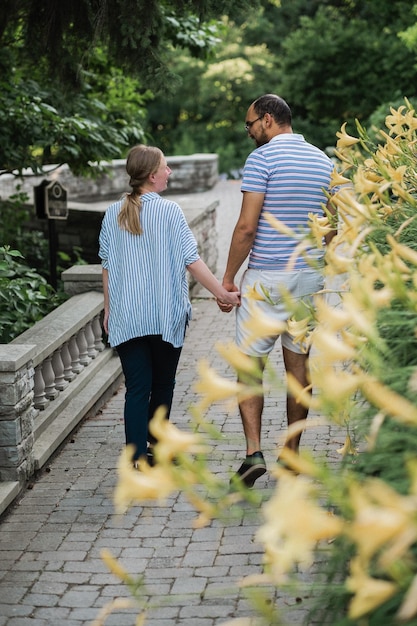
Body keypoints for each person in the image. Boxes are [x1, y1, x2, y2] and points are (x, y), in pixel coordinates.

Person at [218, 94, 337, 488]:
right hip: (308, 278)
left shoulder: (263, 159)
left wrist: (229, 278)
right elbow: (334, 224)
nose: (249, 131)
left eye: (250, 124)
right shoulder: (323, 160)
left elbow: (246, 228)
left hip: (267, 279)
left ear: (268, 120)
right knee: (298, 368)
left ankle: (254, 453)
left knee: (249, 366)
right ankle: (291, 453)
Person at [99, 144, 240, 466]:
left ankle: (137, 456)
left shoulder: (111, 214)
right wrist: (223, 293)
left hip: (128, 317)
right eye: (165, 167)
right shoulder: (170, 212)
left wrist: (109, 311)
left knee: (137, 388)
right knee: (162, 383)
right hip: (165, 315)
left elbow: (106, 266)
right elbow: (193, 261)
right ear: (152, 175)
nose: (169, 172)